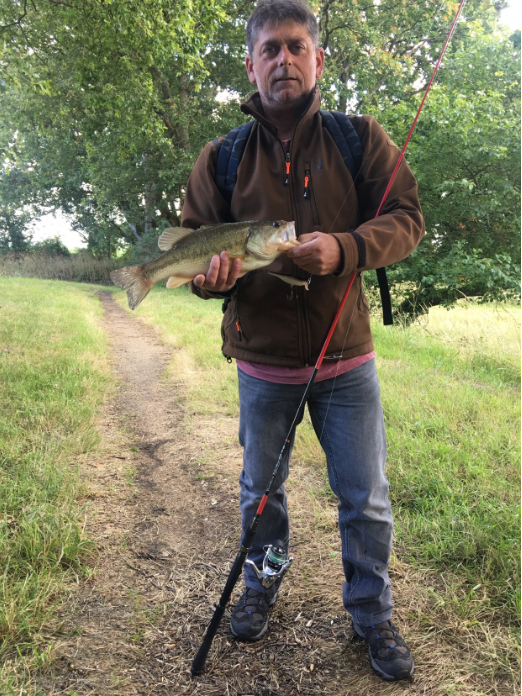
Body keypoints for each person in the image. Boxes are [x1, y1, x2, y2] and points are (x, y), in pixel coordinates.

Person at [181, 0, 424, 682]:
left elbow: (408, 220)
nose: (283, 60)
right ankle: (261, 581)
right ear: (252, 64)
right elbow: (198, 262)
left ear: (318, 57)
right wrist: (209, 279)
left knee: (365, 498)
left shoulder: (361, 139)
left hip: (347, 363)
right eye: (270, 50)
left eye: (296, 46)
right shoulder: (222, 157)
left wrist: (345, 248)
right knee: (262, 492)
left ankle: (371, 611)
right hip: (262, 365)